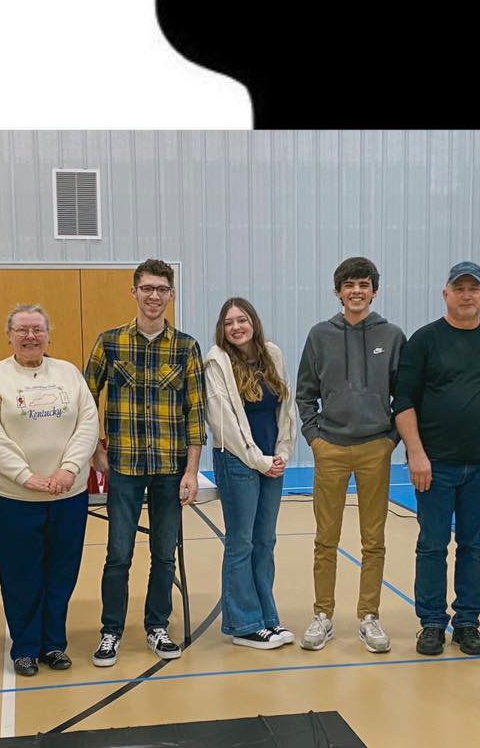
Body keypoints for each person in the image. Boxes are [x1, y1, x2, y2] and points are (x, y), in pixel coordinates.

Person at [84, 258, 205, 666]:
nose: (154, 296)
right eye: (147, 288)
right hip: (124, 469)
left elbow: (196, 412)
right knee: (118, 554)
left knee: (164, 554)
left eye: (161, 289)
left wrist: (191, 471)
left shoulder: (186, 347)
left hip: (171, 469)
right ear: (134, 292)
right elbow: (85, 398)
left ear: (171, 295)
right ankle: (110, 631)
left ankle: (157, 626)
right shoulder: (109, 342)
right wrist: (95, 450)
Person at [0, 305, 99, 676]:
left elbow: (88, 423)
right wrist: (25, 476)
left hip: (66, 495)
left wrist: (69, 469)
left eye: (37, 329)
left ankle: (54, 644)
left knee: (61, 573)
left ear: (48, 334)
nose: (30, 337)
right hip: (13, 497)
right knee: (20, 575)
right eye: (22, 330)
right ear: (9, 336)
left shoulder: (68, 373)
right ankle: (25, 648)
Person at [395, 261, 480, 656]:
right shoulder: (424, 340)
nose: (466, 295)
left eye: (473, 288)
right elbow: (403, 401)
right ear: (445, 294)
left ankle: (467, 622)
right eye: (458, 288)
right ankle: (431, 622)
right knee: (432, 544)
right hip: (435, 465)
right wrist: (416, 453)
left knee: (473, 544)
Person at [295, 257, 405, 653]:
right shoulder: (319, 335)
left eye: (363, 284)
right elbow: (304, 394)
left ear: (374, 290)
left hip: (376, 448)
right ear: (338, 292)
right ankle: (322, 615)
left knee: (373, 539)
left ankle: (368, 616)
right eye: (349, 285)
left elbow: (405, 395)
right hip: (331, 449)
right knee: (326, 538)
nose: (356, 291)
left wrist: (390, 440)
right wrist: (315, 439)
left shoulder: (392, 335)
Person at [205, 297, 297, 649]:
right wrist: (259, 460)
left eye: (242, 320)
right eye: (229, 322)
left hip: (271, 461)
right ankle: (243, 624)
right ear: (222, 329)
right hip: (237, 461)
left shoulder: (272, 354)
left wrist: (282, 453)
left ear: (253, 322)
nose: (236, 327)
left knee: (265, 541)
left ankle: (267, 618)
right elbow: (225, 423)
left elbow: (286, 408)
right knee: (241, 542)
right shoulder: (216, 362)